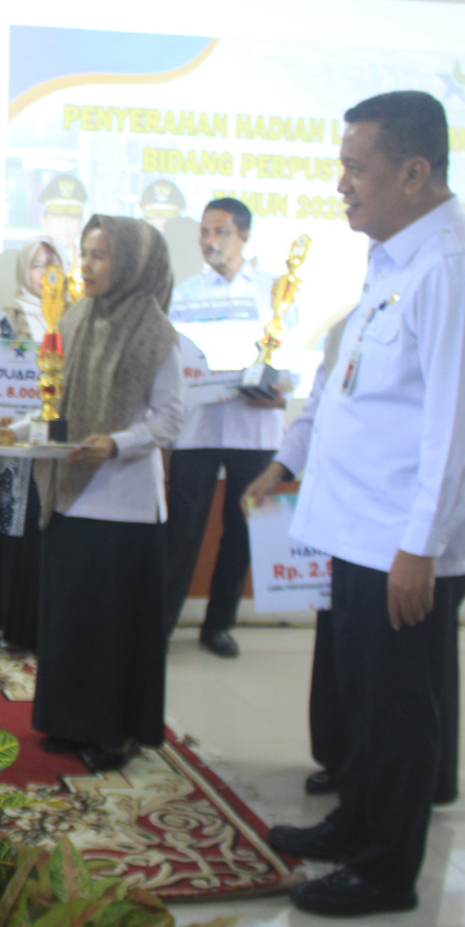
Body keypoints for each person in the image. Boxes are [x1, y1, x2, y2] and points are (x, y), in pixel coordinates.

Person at [244, 91, 465, 916]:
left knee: (398, 714)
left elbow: (457, 425)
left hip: (401, 541)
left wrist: (420, 546)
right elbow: (347, 388)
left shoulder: (452, 268)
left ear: (414, 172)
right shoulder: (393, 261)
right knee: (361, 700)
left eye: (356, 168)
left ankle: (387, 872)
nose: (342, 185)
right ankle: (356, 824)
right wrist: (289, 462)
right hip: (356, 532)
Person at [0, 215, 183, 773]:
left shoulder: (155, 332)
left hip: (124, 506)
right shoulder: (75, 318)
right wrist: (18, 429)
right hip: (69, 497)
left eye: (101, 255)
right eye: (86, 253)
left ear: (132, 264)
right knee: (71, 620)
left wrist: (116, 443)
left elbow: (170, 419)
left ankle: (115, 733)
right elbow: (57, 407)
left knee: (110, 628)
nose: (87, 265)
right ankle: (70, 721)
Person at [162, 199, 287, 658]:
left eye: (220, 232)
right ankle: (159, 624)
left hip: (255, 429)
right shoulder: (184, 294)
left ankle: (218, 625)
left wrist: (282, 391)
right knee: (180, 532)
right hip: (197, 428)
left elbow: (293, 359)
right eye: (204, 232)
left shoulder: (275, 290)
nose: (210, 241)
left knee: (241, 532)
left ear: (244, 236)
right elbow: (171, 362)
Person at [0, 236, 61, 653]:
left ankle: (48, 626)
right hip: (14, 450)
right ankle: (13, 625)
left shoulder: (73, 320)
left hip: (59, 448)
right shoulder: (7, 319)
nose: (45, 273)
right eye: (37, 264)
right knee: (18, 536)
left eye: (53, 264)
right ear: (24, 271)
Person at [38, 174, 87, 270]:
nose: (64, 225)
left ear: (80, 223)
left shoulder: (86, 264)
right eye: (57, 218)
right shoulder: (33, 262)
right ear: (44, 222)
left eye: (72, 218)